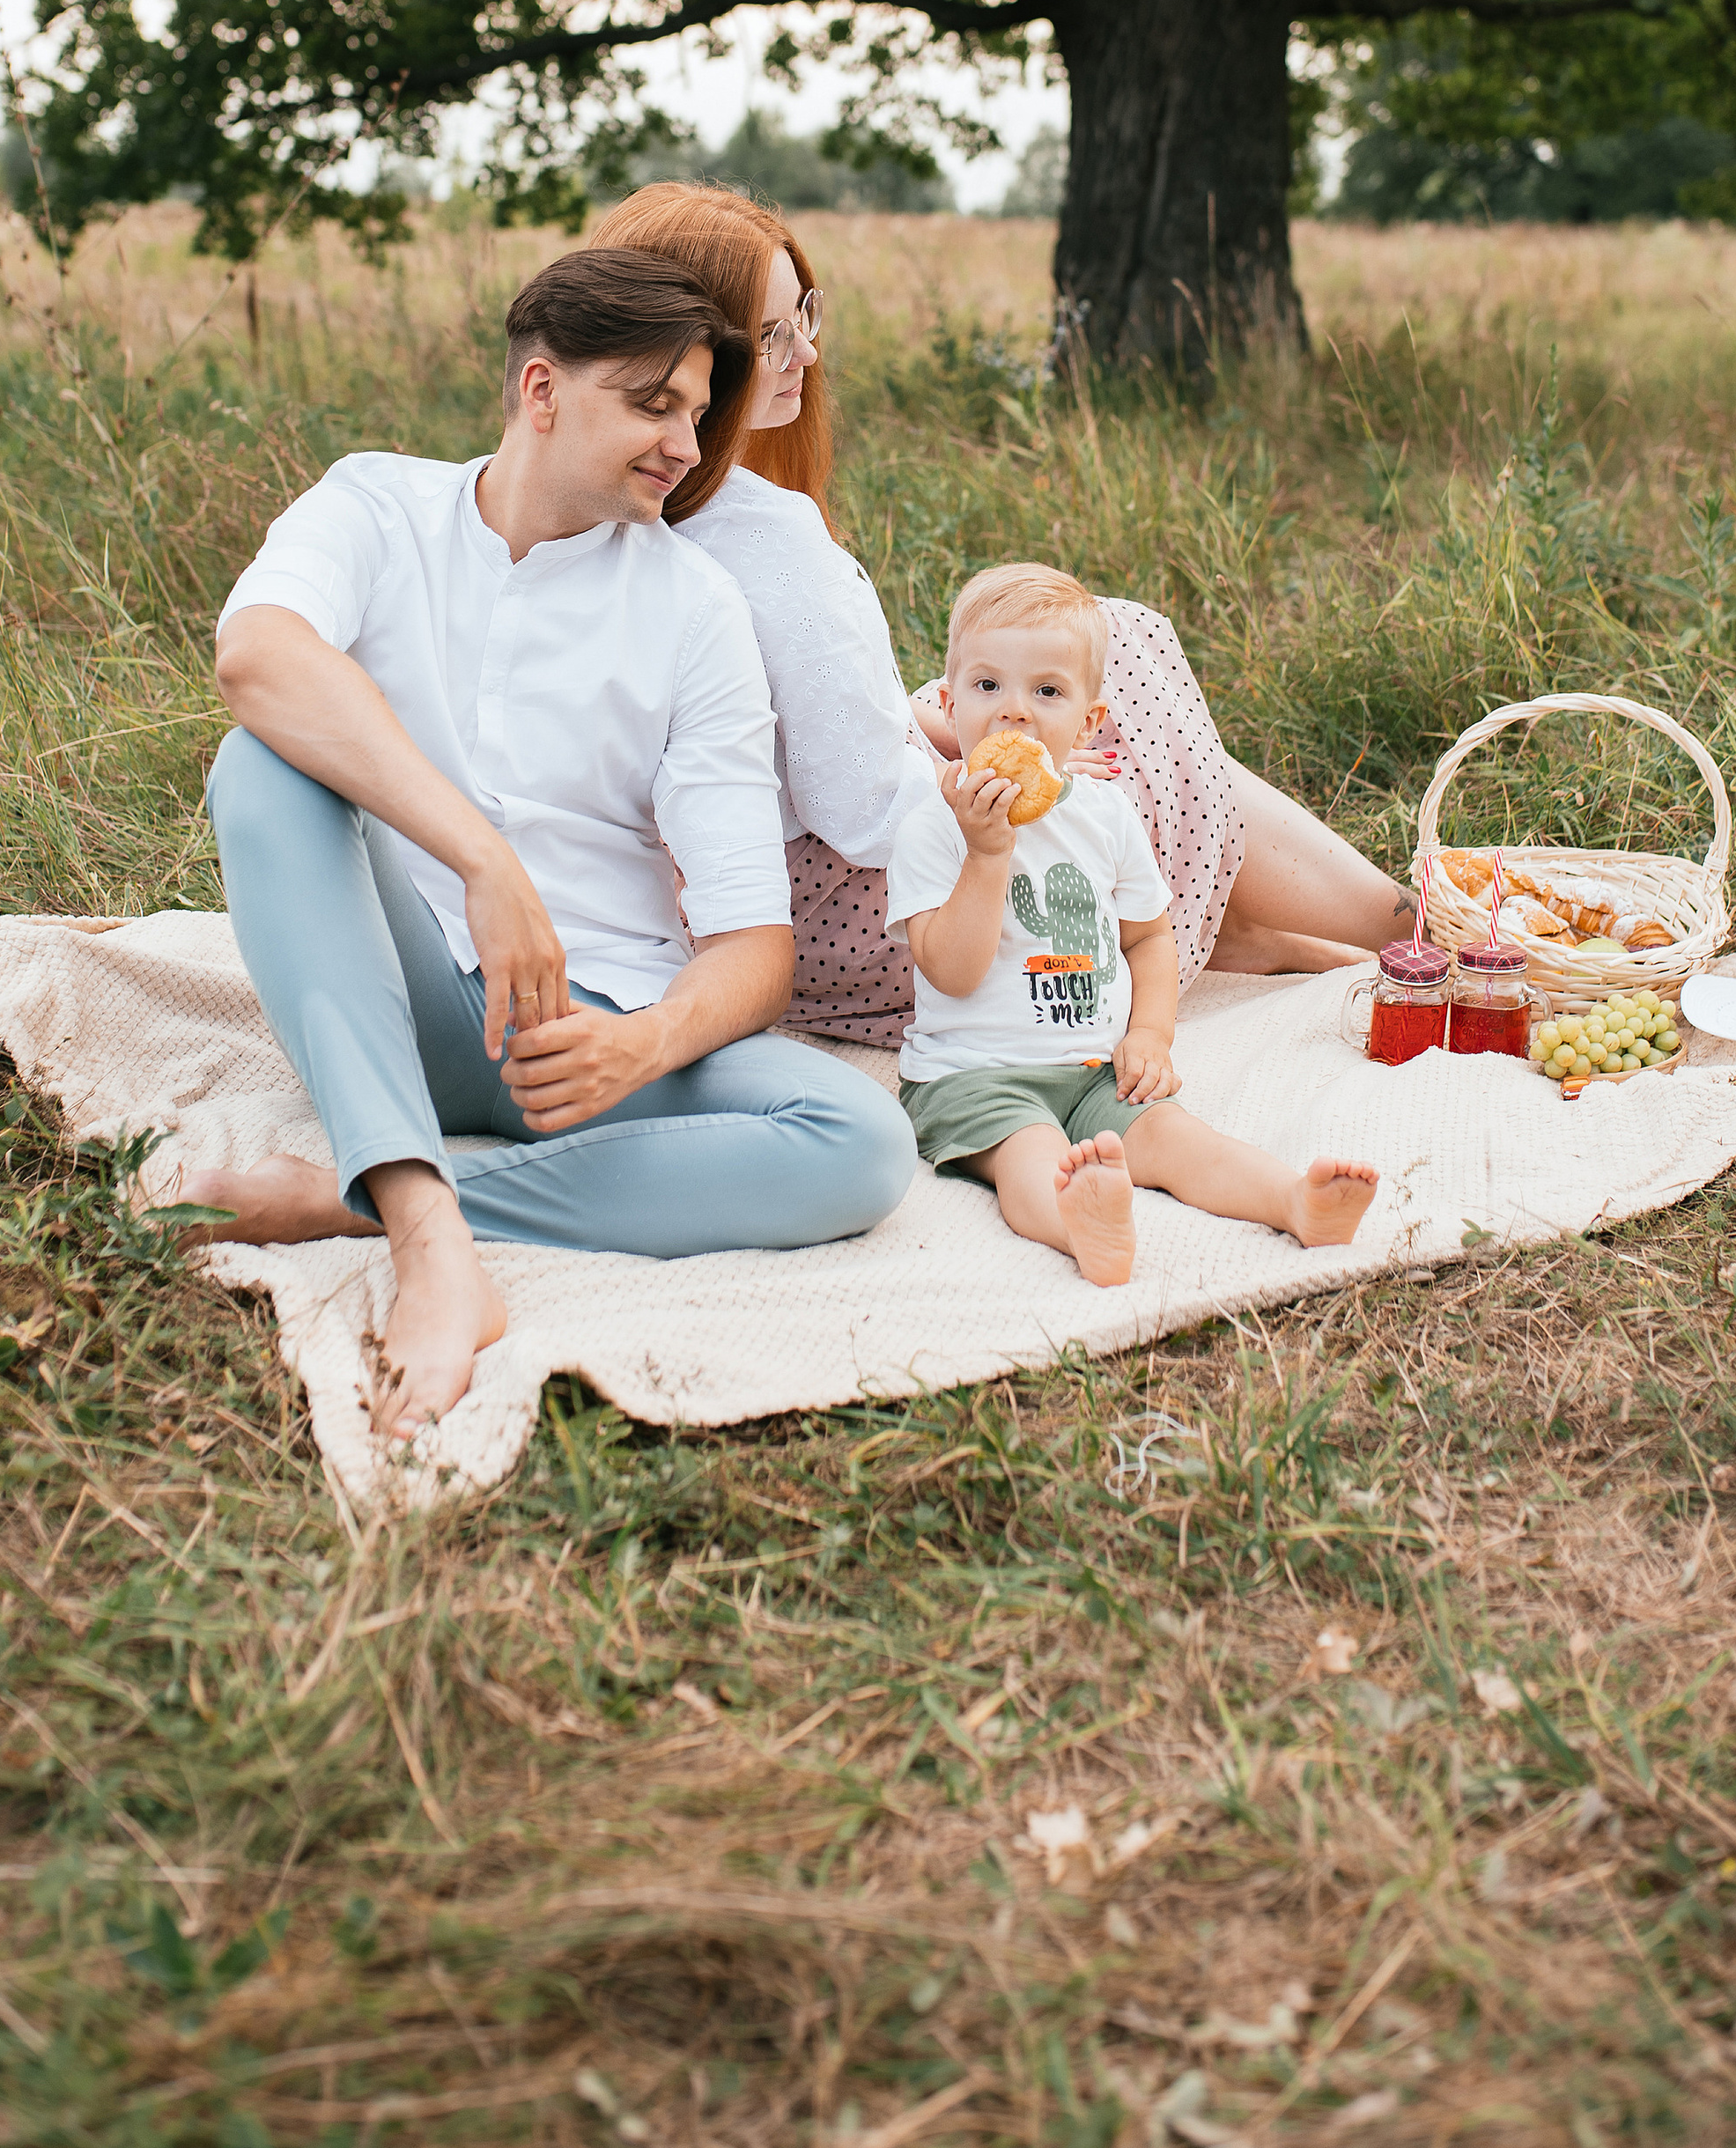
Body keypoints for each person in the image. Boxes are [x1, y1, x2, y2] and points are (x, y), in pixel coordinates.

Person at [171, 249, 918, 1441]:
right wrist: (485, 863)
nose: (685, 445)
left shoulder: (697, 608)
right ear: (540, 390)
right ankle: (429, 1242)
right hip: (398, 1001)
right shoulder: (376, 508)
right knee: (260, 761)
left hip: (592, 1040)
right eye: (653, 405)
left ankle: (357, 1195)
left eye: (697, 414)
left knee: (862, 1145)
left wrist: (643, 1044)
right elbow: (257, 656)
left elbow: (755, 948)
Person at [587, 181, 1415, 1043]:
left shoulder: (609, 509)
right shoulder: (765, 537)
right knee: (1113, 661)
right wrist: (993, 778)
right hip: (894, 918)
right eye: (771, 336)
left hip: (753, 919)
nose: (807, 352)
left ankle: (1257, 932)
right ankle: (1402, 919)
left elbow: (788, 728)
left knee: (1005, 687)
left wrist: (937, 729)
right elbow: (865, 811)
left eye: (805, 316)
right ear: (692, 351)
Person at [888, 567, 1378, 1285]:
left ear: (1089, 721)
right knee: (1029, 1156)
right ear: (948, 703)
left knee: (1178, 1137)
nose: (1014, 712)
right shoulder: (932, 827)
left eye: (1047, 691)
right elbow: (952, 973)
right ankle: (1079, 1227)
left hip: (1095, 1070)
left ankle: (1294, 1201)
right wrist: (987, 855)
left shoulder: (1105, 814)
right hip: (976, 1076)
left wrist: (1149, 1034)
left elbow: (1148, 938)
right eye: (988, 685)